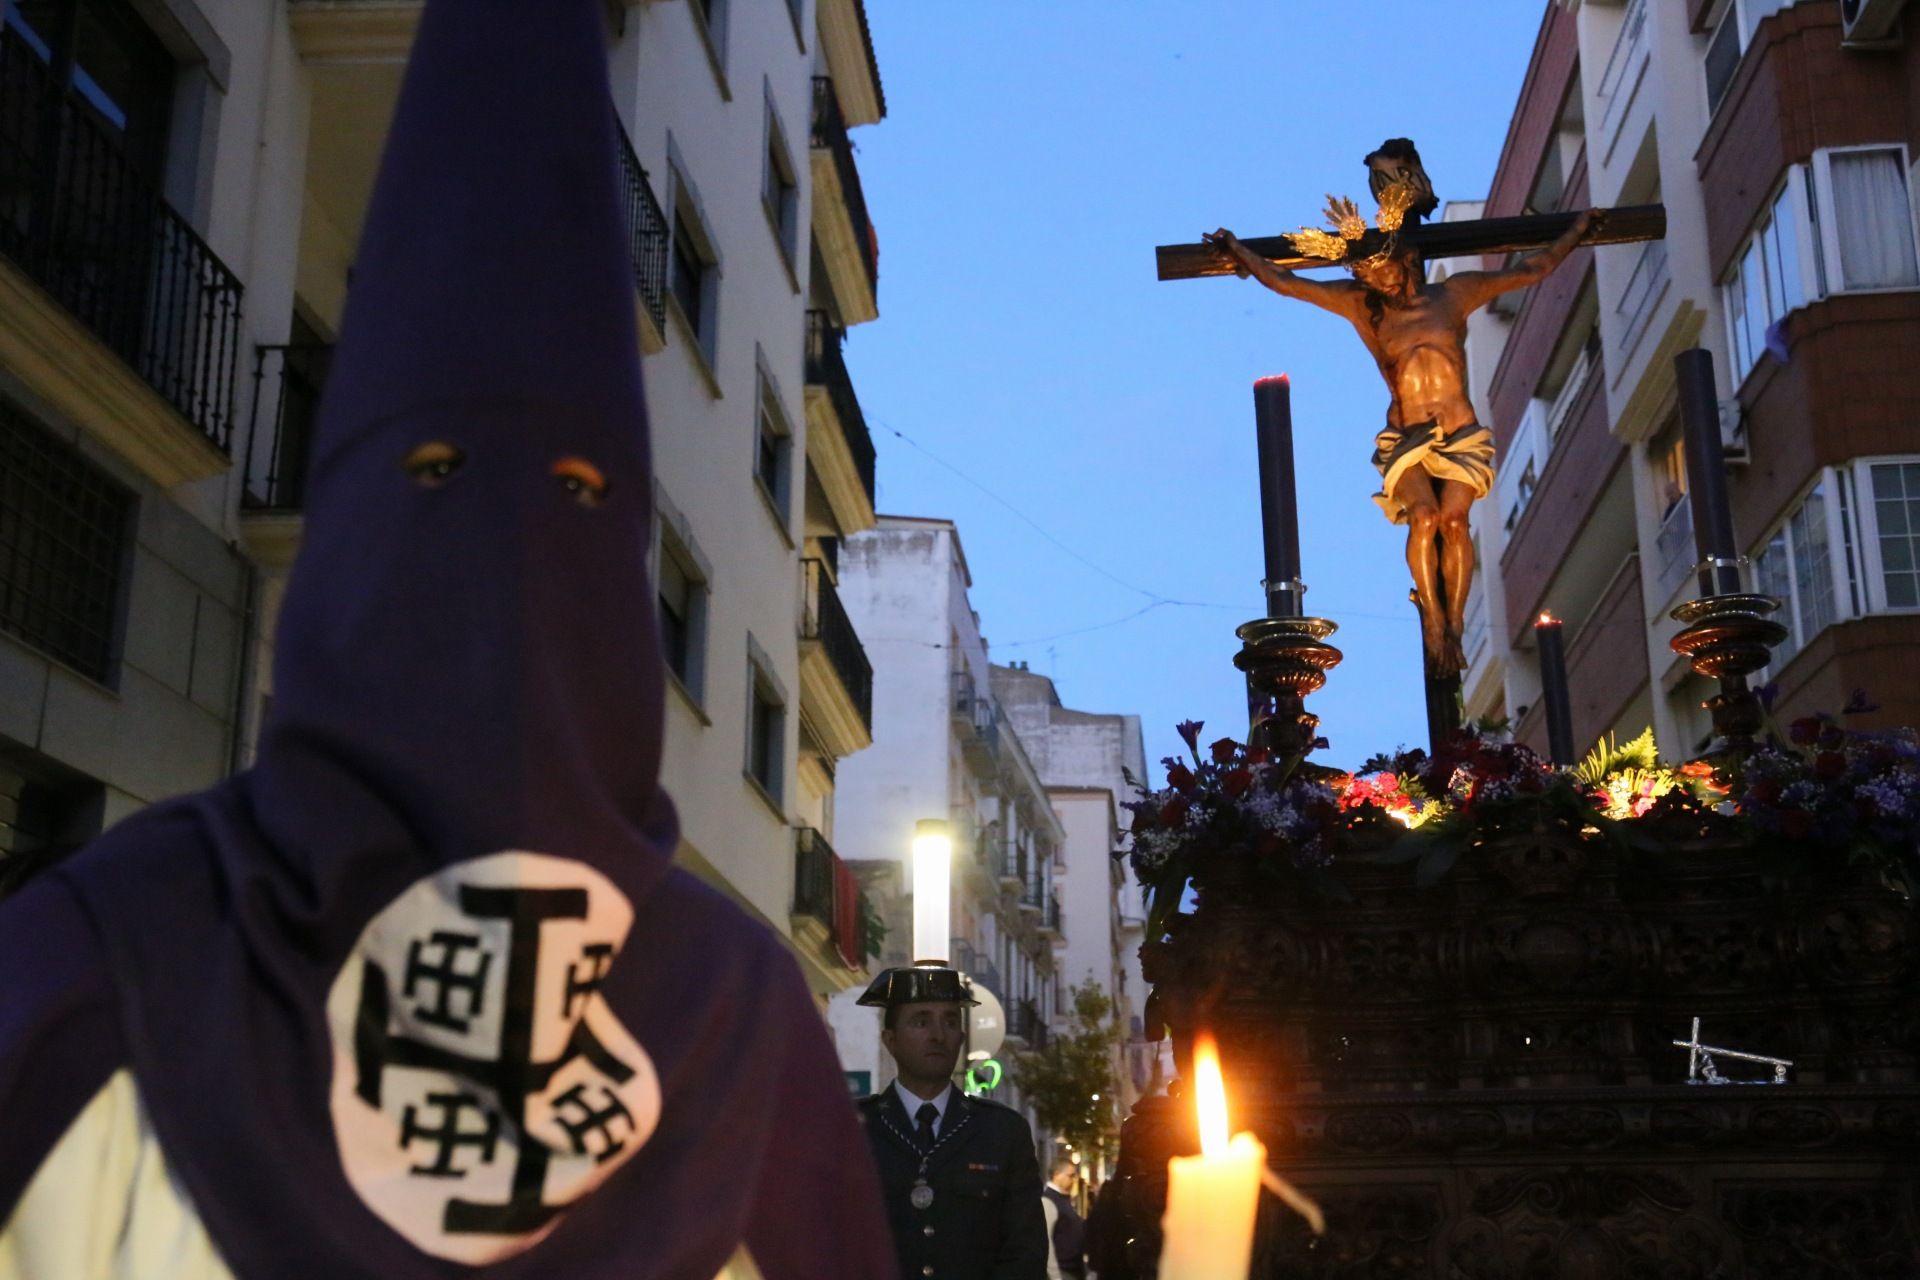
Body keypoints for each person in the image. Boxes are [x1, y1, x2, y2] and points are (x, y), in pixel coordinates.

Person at [0, 0, 896, 1276]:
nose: (514, 551)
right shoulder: (107, 958)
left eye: (580, 496)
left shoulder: (738, 1019)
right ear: (353, 509)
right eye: (436, 470)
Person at [1205, 151, 1599, 678]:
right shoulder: (1362, 308)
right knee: (1426, 517)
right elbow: (1289, 283)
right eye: (1365, 275)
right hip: (1407, 437)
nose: (1377, 282)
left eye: (1382, 269)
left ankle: (1455, 624)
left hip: (1460, 434)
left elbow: (1531, 270)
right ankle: (1433, 623)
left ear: (1403, 257)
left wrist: (1575, 230)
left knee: (1456, 522)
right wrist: (1238, 251)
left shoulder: (1454, 295)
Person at [857, 966, 1049, 1279]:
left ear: (961, 1037)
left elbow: (1025, 1256)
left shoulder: (1002, 1133)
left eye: (949, 1021)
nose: (938, 1035)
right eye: (921, 1021)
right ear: (889, 1040)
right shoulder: (856, 1130)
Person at [1039, 1159, 1086, 1280]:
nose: (1074, 1180)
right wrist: (1055, 1276)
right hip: (1063, 1271)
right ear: (1056, 1175)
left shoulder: (1062, 1199)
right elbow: (1046, 1241)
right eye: (1070, 1176)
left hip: (1072, 1269)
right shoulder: (1048, 1201)